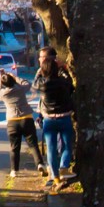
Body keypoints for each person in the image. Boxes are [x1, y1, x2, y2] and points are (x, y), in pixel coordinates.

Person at [34, 48, 76, 188]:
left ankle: (55, 176)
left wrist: (41, 70)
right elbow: (70, 84)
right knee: (67, 145)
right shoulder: (63, 83)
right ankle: (64, 167)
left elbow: (34, 83)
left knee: (51, 148)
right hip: (64, 117)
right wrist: (63, 69)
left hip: (49, 119)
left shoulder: (42, 84)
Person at [0, 70, 46, 178]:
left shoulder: (3, 94)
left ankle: (14, 170)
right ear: (13, 81)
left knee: (14, 147)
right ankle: (40, 164)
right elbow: (27, 83)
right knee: (33, 144)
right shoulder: (20, 89)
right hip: (26, 118)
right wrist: (15, 77)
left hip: (12, 121)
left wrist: (1, 79)